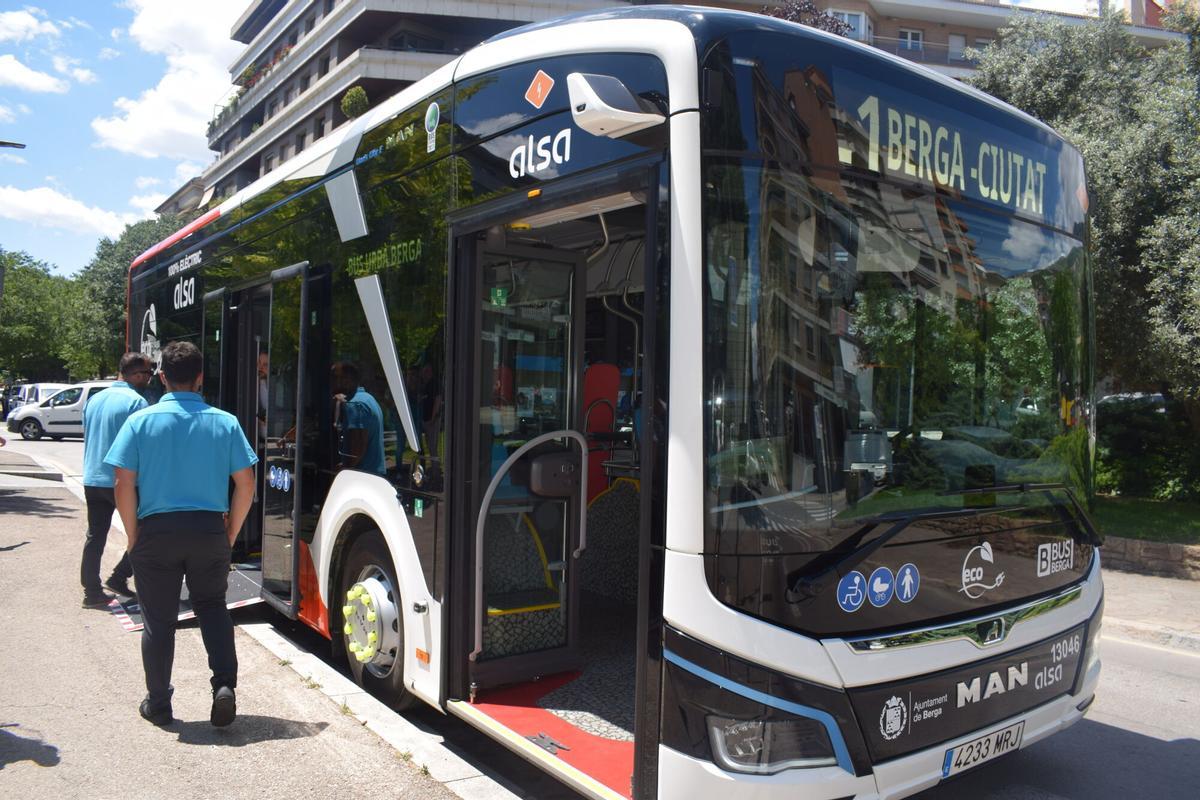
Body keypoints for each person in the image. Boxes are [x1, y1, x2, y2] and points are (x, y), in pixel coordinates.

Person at [107, 341, 257, 728]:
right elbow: (246, 483)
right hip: (208, 529)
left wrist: (133, 533)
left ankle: (159, 703)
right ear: (201, 377)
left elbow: (123, 481)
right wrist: (229, 532)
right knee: (212, 607)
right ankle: (224, 686)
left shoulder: (142, 421)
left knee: (158, 620)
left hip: (156, 531)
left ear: (161, 377)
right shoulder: (224, 422)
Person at [80, 352, 152, 608]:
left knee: (95, 536)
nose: (149, 379)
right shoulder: (136, 402)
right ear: (134, 374)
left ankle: (91, 593)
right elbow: (143, 446)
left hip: (92, 477)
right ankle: (120, 577)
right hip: (123, 481)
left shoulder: (94, 399)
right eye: (146, 373)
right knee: (143, 532)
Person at [331, 361, 386, 477]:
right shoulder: (368, 398)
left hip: (362, 474)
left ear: (348, 380)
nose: (335, 383)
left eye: (338, 379)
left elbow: (357, 447)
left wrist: (344, 469)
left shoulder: (355, 404)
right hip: (375, 473)